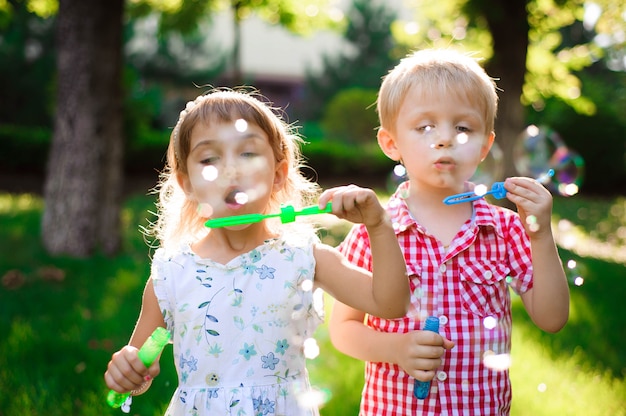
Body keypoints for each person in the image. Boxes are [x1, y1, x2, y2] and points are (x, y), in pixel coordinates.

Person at [103, 88, 410, 416]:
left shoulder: (303, 257)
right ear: (187, 182)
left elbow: (391, 304)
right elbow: (139, 368)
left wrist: (378, 225)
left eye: (247, 154)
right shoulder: (172, 274)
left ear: (277, 175)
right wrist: (129, 372)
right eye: (209, 159)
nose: (231, 171)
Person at [329, 49, 570, 415]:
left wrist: (539, 234)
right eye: (425, 127)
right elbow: (343, 328)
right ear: (391, 143)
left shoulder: (505, 229)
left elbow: (552, 319)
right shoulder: (374, 229)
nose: (445, 139)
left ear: (485, 146)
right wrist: (395, 349)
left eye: (463, 128)